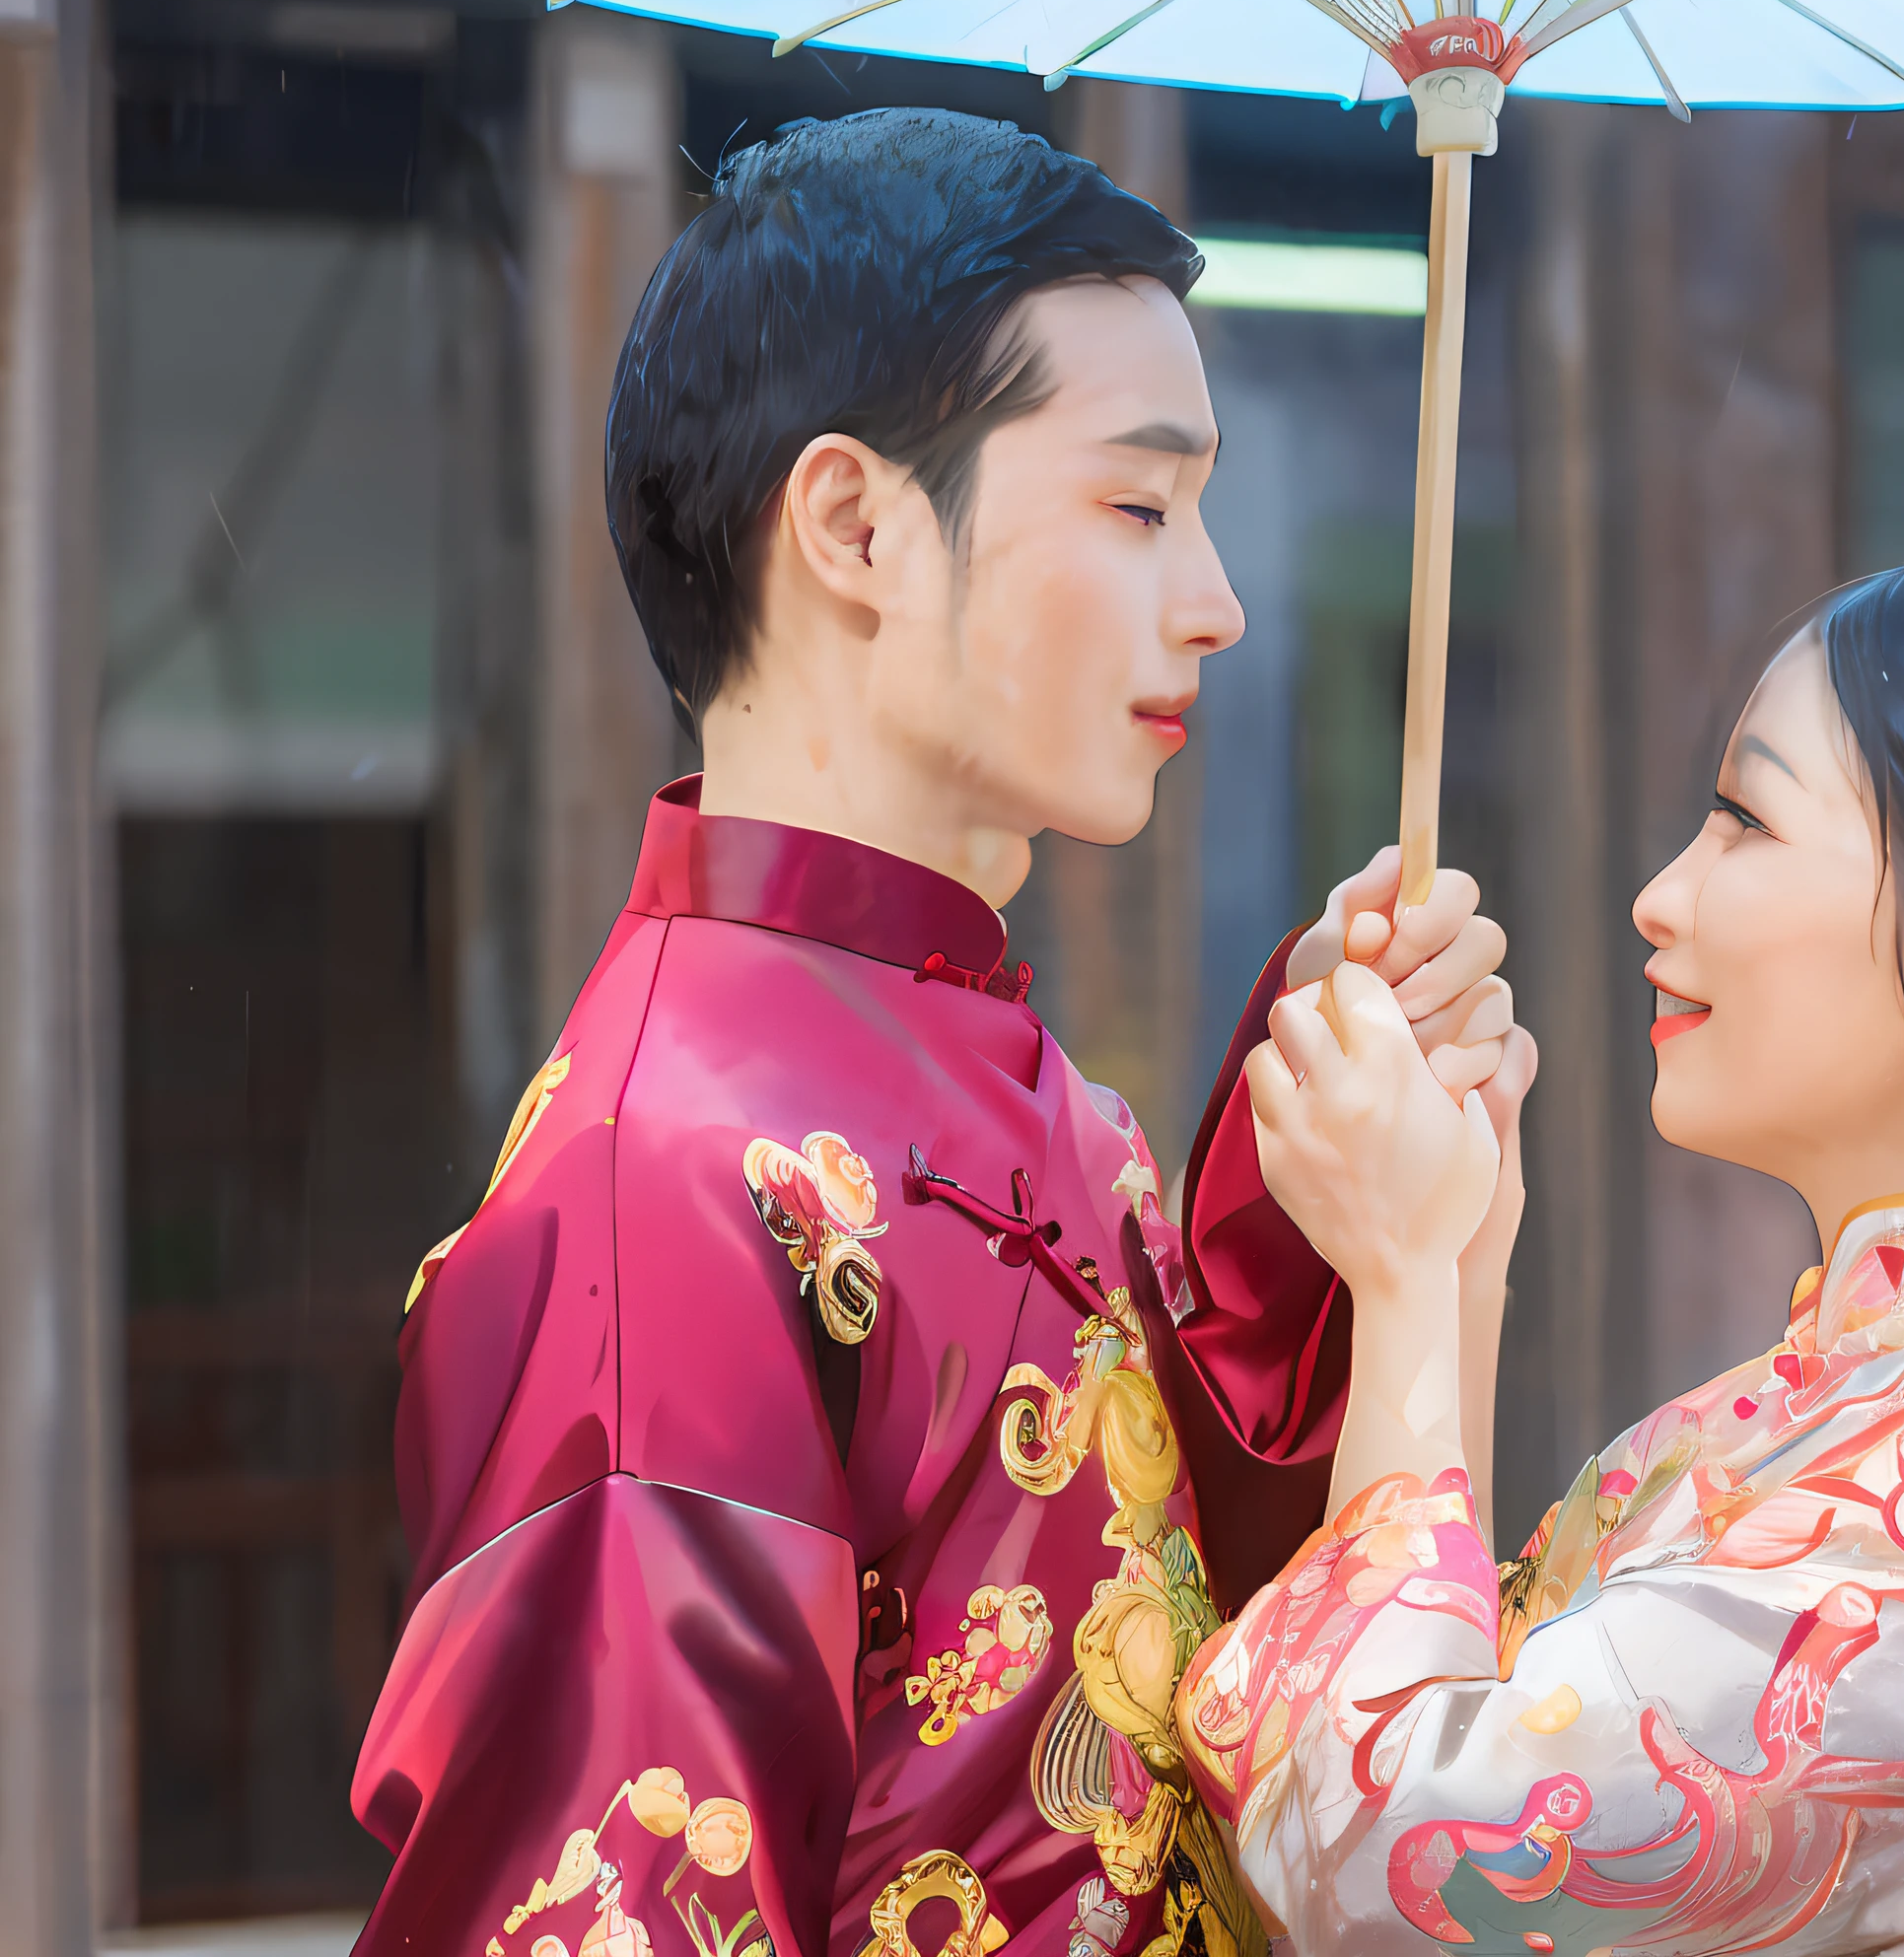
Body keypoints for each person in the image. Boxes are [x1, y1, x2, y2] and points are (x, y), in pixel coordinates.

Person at [349, 105, 1530, 1957]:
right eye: (1141, 506)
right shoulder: (666, 1187)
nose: (1214, 604)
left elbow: (1191, 1678)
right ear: (854, 527)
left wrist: (1320, 1209)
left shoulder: (1031, 1088)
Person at [1179, 546, 1904, 1957]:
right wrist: (1463, 1262)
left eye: (1744, 820)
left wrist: (1413, 1285)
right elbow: (1460, 1725)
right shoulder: (1887, 1399)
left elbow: (1392, 1870)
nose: (1662, 895)